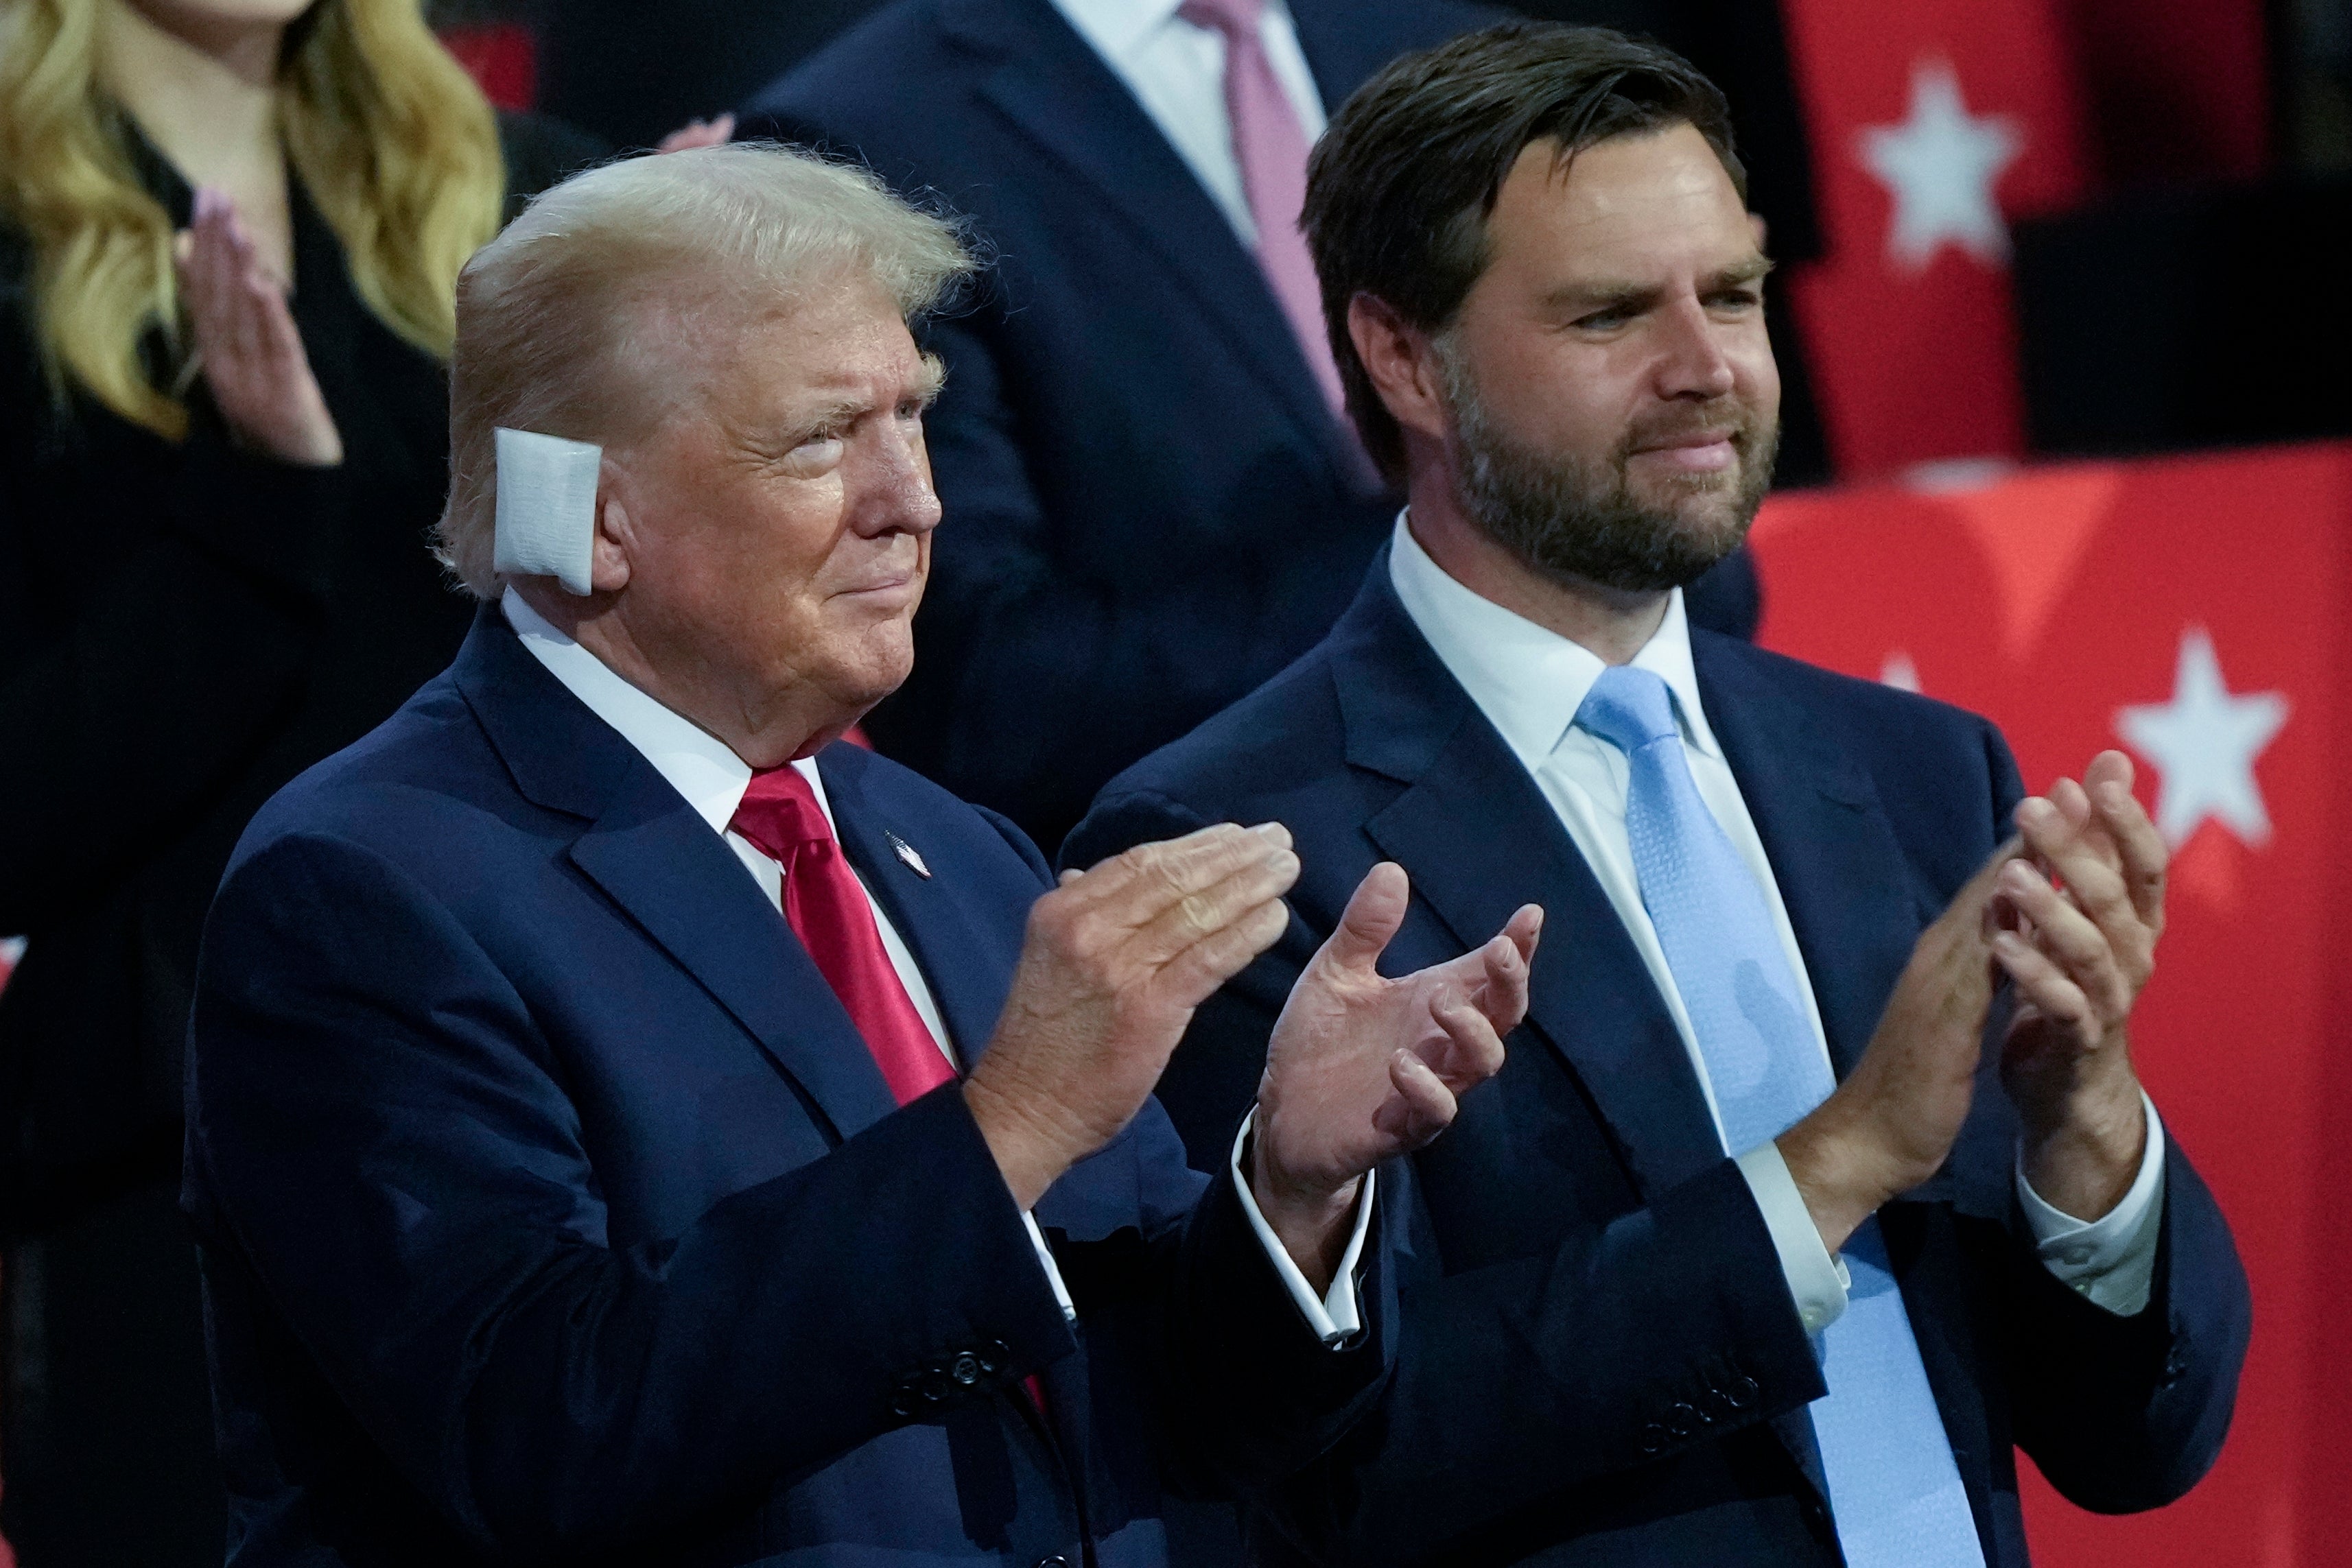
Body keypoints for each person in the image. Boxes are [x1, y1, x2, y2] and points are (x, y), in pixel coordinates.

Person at [182, 143, 1536, 1567]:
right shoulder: (367, 889)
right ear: (587, 515)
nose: (913, 500)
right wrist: (1006, 1123)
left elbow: (1176, 1420)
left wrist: (1292, 1192)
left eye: (914, 417)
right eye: (821, 438)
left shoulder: (952, 847)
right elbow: (541, 1430)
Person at [1064, 26, 2250, 1567]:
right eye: (1611, 312)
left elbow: (2137, 1444)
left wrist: (2084, 1132)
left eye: (1736, 294)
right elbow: (1315, 1466)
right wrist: (1838, 1161)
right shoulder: (1228, 850)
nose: (1707, 366)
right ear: (1401, 356)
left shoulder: (1916, 773)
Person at [0, 1, 604, 1560]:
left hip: (539, 1052)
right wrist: (254, 510)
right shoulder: (15, 235)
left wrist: (683, 369)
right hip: (168, 1143)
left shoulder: (513, 188)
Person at [739, 0, 1765, 856]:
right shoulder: (867, 136)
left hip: (1629, 798)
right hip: (1232, 900)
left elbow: (1699, 560)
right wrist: (1469, 543)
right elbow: (986, 695)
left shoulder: (1455, 47)